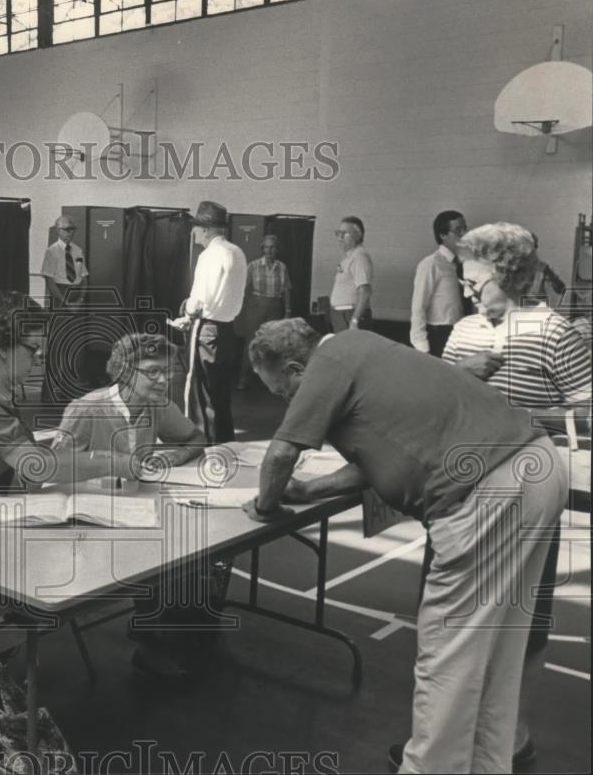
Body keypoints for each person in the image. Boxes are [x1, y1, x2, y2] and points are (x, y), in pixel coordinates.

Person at [245, 318, 567, 774]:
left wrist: (266, 504)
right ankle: (485, 765)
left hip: (485, 490)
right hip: (535, 464)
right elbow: (388, 455)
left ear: (297, 368)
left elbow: (281, 454)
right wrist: (312, 491)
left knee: (448, 652)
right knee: (497, 651)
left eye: (283, 393)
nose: (287, 401)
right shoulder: (367, 347)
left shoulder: (326, 363)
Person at [411, 223, 590, 771]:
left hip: (528, 486)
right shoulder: (463, 331)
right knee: (449, 620)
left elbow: (587, 408)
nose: (466, 287)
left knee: (523, 617)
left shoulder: (556, 333)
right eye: (464, 278)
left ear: (506, 273)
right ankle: (450, 740)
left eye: (474, 277)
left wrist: (516, 424)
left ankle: (511, 735)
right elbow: (438, 403)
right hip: (460, 493)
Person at [0, 291, 130, 627]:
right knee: (44, 585)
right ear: (3, 348)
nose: (40, 356)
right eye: (32, 349)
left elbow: (31, 467)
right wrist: (111, 461)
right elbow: (37, 467)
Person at [53, 333, 209, 680]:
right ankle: (154, 639)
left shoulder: (158, 406)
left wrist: (178, 454)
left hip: (134, 510)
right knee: (167, 551)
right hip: (85, 522)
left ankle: (157, 628)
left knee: (191, 543)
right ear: (124, 371)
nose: (163, 380)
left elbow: (196, 438)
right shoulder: (87, 408)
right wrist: (107, 465)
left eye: (167, 372)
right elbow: (54, 466)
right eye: (152, 371)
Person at [170, 201, 247, 443]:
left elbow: (200, 301)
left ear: (206, 230)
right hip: (227, 331)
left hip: (205, 330)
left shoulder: (208, 256)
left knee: (201, 394)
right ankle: (225, 444)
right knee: (221, 394)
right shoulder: (237, 252)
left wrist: (187, 312)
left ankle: (206, 446)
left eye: (195, 227)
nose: (193, 232)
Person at [40, 215, 89, 405]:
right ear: (58, 230)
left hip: (75, 296)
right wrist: (66, 303)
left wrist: (81, 299)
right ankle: (49, 394)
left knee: (73, 345)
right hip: (60, 298)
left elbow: (84, 277)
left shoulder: (78, 250)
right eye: (66, 229)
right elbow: (49, 281)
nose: (70, 233)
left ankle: (69, 390)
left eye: (72, 229)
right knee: (57, 346)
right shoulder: (51, 252)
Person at [236, 234, 291, 389]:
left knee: (273, 345)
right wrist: (247, 307)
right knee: (251, 343)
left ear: (277, 249)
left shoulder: (282, 267)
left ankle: (271, 382)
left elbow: (287, 290)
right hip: (256, 307)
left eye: (272, 247)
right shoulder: (253, 266)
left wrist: (287, 311)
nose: (269, 250)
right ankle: (243, 379)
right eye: (266, 247)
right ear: (262, 249)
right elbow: (244, 289)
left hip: (275, 306)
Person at [409, 210, 466, 356]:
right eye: (458, 230)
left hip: (461, 334)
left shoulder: (464, 264)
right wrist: (422, 347)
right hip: (440, 334)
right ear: (443, 235)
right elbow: (418, 307)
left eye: (465, 228)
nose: (465, 234)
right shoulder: (431, 264)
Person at [329, 216, 373, 330]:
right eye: (338, 233)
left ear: (358, 235)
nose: (340, 237)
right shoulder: (349, 257)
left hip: (349, 315)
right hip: (341, 315)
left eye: (344, 233)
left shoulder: (359, 256)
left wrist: (354, 320)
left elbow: (365, 292)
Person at [526, 233, 567, 309]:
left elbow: (561, 290)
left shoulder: (544, 267)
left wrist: (550, 274)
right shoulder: (511, 267)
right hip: (519, 310)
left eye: (533, 246)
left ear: (536, 247)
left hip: (538, 310)